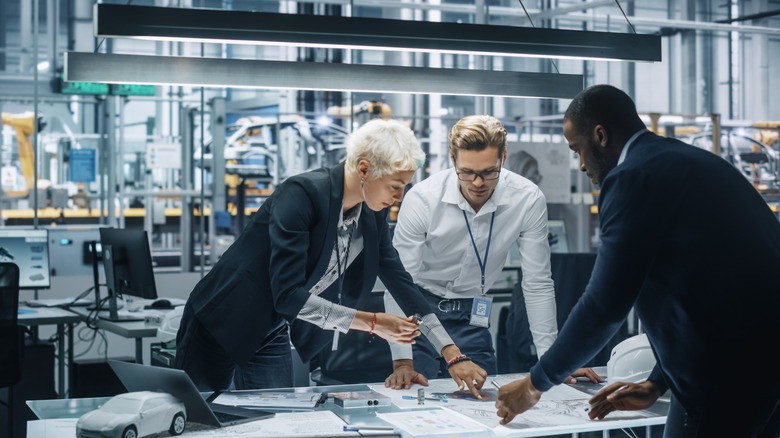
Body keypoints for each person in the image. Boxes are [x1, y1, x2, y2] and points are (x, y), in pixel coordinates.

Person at [495, 85, 780, 437]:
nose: (582, 164)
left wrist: (534, 385)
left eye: (578, 150)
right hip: (760, 368)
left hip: (727, 376)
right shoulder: (687, 162)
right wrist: (658, 382)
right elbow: (705, 284)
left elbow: (604, 305)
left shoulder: (632, 177)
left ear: (600, 135)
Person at [174, 118, 487, 395]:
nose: (399, 196)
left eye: (404, 186)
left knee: (277, 422)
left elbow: (399, 279)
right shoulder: (302, 194)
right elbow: (288, 296)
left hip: (271, 328)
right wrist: (375, 323)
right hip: (220, 320)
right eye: (395, 185)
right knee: (198, 418)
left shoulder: (371, 211)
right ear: (364, 169)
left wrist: (451, 352)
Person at [383, 115, 600, 389]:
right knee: (416, 401)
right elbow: (399, 285)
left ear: (504, 158)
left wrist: (555, 360)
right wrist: (402, 361)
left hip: (474, 316)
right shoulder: (423, 199)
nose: (477, 183)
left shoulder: (527, 199)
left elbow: (537, 283)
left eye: (488, 172)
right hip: (418, 317)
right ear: (452, 159)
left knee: (484, 406)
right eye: (467, 172)